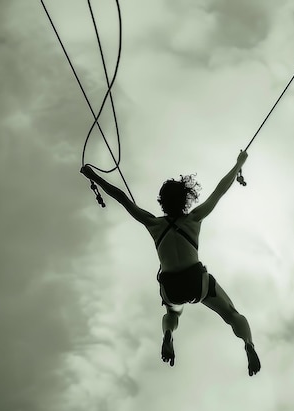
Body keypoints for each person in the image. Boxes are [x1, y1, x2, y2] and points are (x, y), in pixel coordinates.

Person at [80, 150, 261, 376]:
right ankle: (248, 344)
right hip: (197, 282)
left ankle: (168, 333)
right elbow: (220, 190)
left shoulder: (152, 223)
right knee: (233, 315)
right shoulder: (194, 219)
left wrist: (93, 176)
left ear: (162, 202)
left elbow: (121, 197)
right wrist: (239, 163)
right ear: (185, 199)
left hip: (171, 288)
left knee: (173, 314)